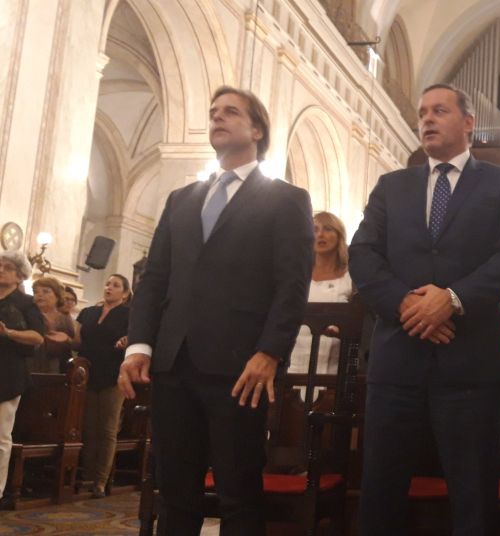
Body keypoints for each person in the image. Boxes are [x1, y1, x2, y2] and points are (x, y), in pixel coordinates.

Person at [119, 86, 314, 535]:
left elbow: (291, 285)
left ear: (257, 129)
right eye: (212, 114)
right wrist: (141, 345)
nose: (217, 119)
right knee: (175, 490)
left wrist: (269, 352)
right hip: (174, 362)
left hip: (240, 366)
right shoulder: (182, 199)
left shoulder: (285, 199)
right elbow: (155, 278)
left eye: (230, 112)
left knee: (238, 491)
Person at [349, 83, 500, 536]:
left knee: (473, 494)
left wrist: (449, 301)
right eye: (422, 112)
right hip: (397, 357)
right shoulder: (392, 186)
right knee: (381, 489)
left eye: (440, 111)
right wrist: (408, 304)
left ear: (469, 123)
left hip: (470, 363)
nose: (427, 119)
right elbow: (363, 255)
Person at [77, 274, 131, 497]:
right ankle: (87, 475)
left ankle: (100, 480)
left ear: (125, 293)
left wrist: (128, 340)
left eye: (116, 285)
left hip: (113, 374)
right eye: (107, 284)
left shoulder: (129, 314)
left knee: (107, 429)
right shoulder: (89, 312)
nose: (109, 288)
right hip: (88, 373)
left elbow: (137, 336)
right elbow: (77, 337)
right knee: (88, 427)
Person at [0, 251, 44, 502]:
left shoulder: (26, 303)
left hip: (7, 373)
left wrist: (8, 333)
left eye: (7, 267)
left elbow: (37, 337)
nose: (1, 270)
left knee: (1, 435)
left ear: (19, 276)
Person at [288, 211, 354, 376]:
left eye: (328, 229)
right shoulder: (295, 275)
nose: (320, 234)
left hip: (333, 368)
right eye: (315, 229)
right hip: (292, 364)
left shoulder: (351, 279)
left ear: (339, 236)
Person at [30, 276, 79, 373]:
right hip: (31, 365)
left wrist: (66, 339)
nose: (39, 295)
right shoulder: (30, 315)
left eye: (45, 291)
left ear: (57, 296)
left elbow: (74, 345)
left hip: (58, 368)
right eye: (36, 292)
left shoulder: (65, 319)